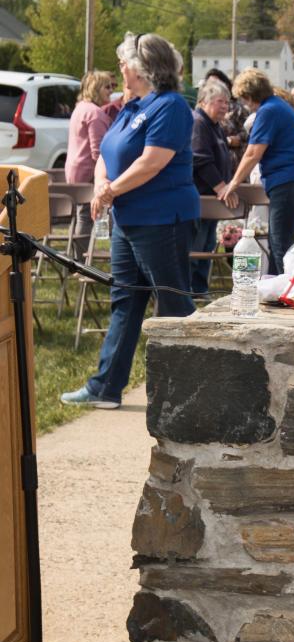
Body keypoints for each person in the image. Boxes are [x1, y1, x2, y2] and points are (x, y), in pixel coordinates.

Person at [60, 33, 198, 409]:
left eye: (125, 61)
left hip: (160, 219)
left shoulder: (170, 107)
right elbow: (107, 150)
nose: (120, 67)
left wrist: (109, 191)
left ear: (145, 68)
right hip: (128, 219)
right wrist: (102, 182)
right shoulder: (132, 105)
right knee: (125, 301)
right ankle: (105, 387)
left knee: (171, 303)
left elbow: (151, 161)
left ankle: (190, 391)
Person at [225, 69, 294, 275]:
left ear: (249, 96)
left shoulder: (268, 111)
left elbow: (253, 153)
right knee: (278, 242)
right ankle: (279, 289)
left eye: (243, 99)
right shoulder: (278, 106)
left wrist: (233, 184)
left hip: (288, 181)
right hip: (293, 180)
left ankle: (284, 292)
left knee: (280, 245)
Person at [190, 78, 237, 296]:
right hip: (201, 198)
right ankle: (191, 290)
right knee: (197, 246)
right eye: (221, 102)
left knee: (208, 245)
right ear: (204, 101)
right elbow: (200, 159)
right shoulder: (198, 123)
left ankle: (200, 289)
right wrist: (221, 187)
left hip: (212, 201)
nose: (225, 107)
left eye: (227, 103)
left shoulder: (214, 125)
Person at [65, 68, 114, 238]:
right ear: (95, 88)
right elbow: (99, 152)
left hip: (75, 171)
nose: (111, 90)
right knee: (86, 217)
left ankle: (77, 258)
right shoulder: (95, 113)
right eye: (106, 87)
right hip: (88, 174)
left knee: (80, 217)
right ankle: (80, 260)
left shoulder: (81, 108)